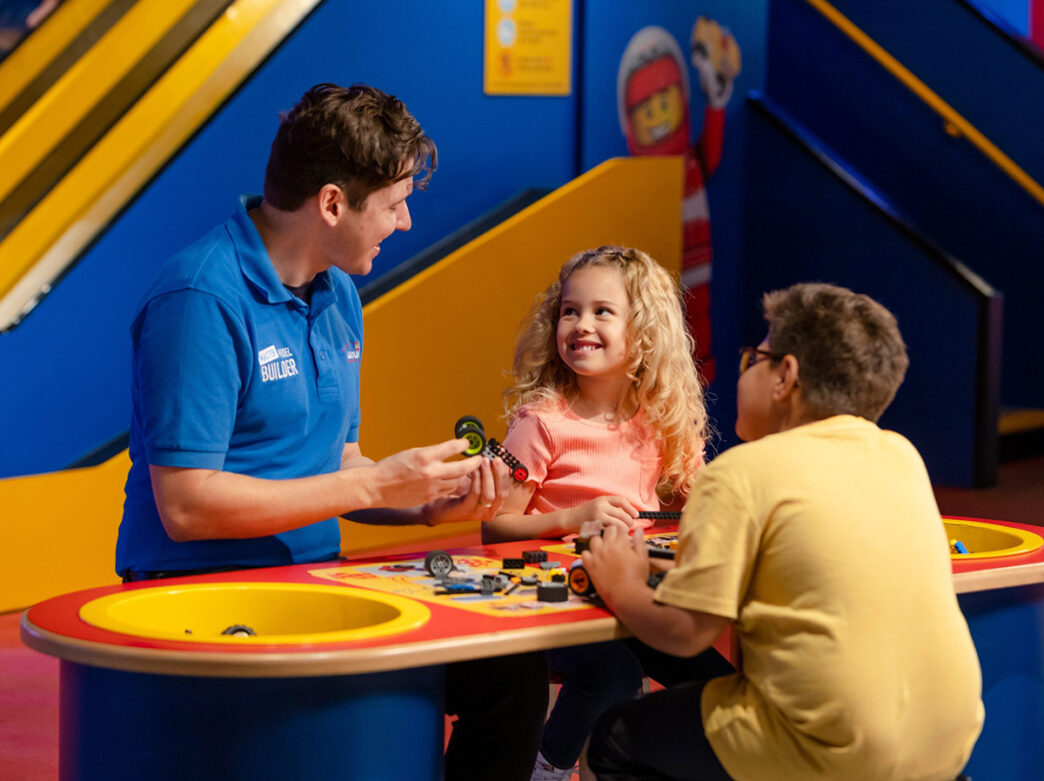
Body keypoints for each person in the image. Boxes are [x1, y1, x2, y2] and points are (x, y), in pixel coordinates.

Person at [114, 82, 547, 781]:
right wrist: (374, 480)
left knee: (509, 668)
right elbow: (187, 505)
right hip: (199, 600)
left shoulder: (339, 290)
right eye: (395, 203)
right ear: (333, 204)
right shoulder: (199, 296)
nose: (405, 222)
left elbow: (336, 461)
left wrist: (427, 502)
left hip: (316, 587)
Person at [581, 282, 984, 781]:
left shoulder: (740, 472)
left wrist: (621, 585)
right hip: (948, 740)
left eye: (756, 355)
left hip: (832, 746)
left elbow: (686, 633)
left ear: (785, 376)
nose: (744, 367)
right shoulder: (901, 454)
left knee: (615, 740)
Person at [483, 246, 730, 780]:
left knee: (717, 683)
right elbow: (495, 525)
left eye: (602, 312)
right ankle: (547, 770)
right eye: (569, 311)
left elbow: (702, 501)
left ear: (643, 332)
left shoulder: (663, 421)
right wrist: (572, 518)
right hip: (554, 601)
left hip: (629, 594)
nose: (580, 324)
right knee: (614, 675)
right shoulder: (541, 423)